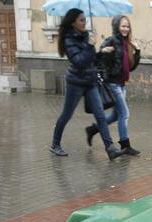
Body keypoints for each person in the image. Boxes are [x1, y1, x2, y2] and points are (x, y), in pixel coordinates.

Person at [50, 8, 123, 160]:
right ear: (73, 22)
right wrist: (90, 45)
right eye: (81, 20)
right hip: (75, 83)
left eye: (85, 19)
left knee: (100, 116)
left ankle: (110, 148)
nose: (85, 22)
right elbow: (79, 62)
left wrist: (102, 51)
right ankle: (55, 144)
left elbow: (90, 59)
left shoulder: (84, 36)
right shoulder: (68, 40)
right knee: (66, 114)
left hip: (90, 82)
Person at [86, 15, 142, 155]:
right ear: (117, 26)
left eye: (127, 26)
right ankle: (125, 145)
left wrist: (138, 51)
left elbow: (131, 67)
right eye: (123, 26)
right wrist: (102, 52)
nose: (125, 29)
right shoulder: (111, 41)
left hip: (122, 84)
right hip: (112, 84)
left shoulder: (126, 44)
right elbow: (98, 62)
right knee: (125, 113)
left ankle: (93, 129)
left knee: (115, 116)